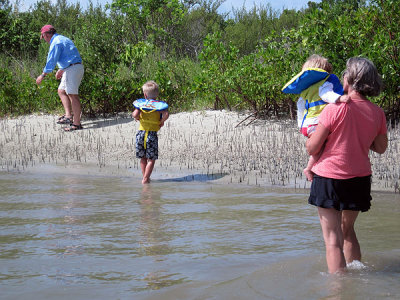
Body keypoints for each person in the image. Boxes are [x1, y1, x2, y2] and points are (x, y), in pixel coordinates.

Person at [306, 57, 388, 274]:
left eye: (344, 74)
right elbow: (380, 147)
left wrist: (310, 137)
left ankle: (339, 290)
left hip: (329, 178)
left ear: (350, 79)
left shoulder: (334, 109)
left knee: (332, 239)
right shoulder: (377, 112)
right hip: (359, 179)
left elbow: (312, 148)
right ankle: (357, 275)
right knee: (348, 230)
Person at [283, 54, 350, 181]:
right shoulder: (324, 83)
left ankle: (316, 166)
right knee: (321, 146)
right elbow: (326, 95)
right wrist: (340, 98)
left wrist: (301, 125)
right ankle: (309, 168)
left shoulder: (305, 90)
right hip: (316, 122)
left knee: (322, 145)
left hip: (307, 124)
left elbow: (300, 107)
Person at [35, 25, 84, 131]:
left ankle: (77, 124)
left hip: (73, 69)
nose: (44, 40)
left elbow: (51, 60)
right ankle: (68, 116)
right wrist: (61, 69)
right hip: (71, 67)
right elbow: (69, 56)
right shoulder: (62, 38)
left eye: (43, 37)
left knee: (72, 95)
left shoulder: (56, 42)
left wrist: (43, 75)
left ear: (46, 35)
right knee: (61, 90)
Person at [132, 81, 169, 184]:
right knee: (151, 159)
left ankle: (145, 177)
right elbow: (166, 114)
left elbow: (135, 114)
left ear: (144, 94)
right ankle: (145, 179)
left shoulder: (141, 105)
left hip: (140, 134)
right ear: (157, 95)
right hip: (152, 135)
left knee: (142, 158)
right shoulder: (158, 106)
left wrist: (138, 117)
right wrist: (161, 122)